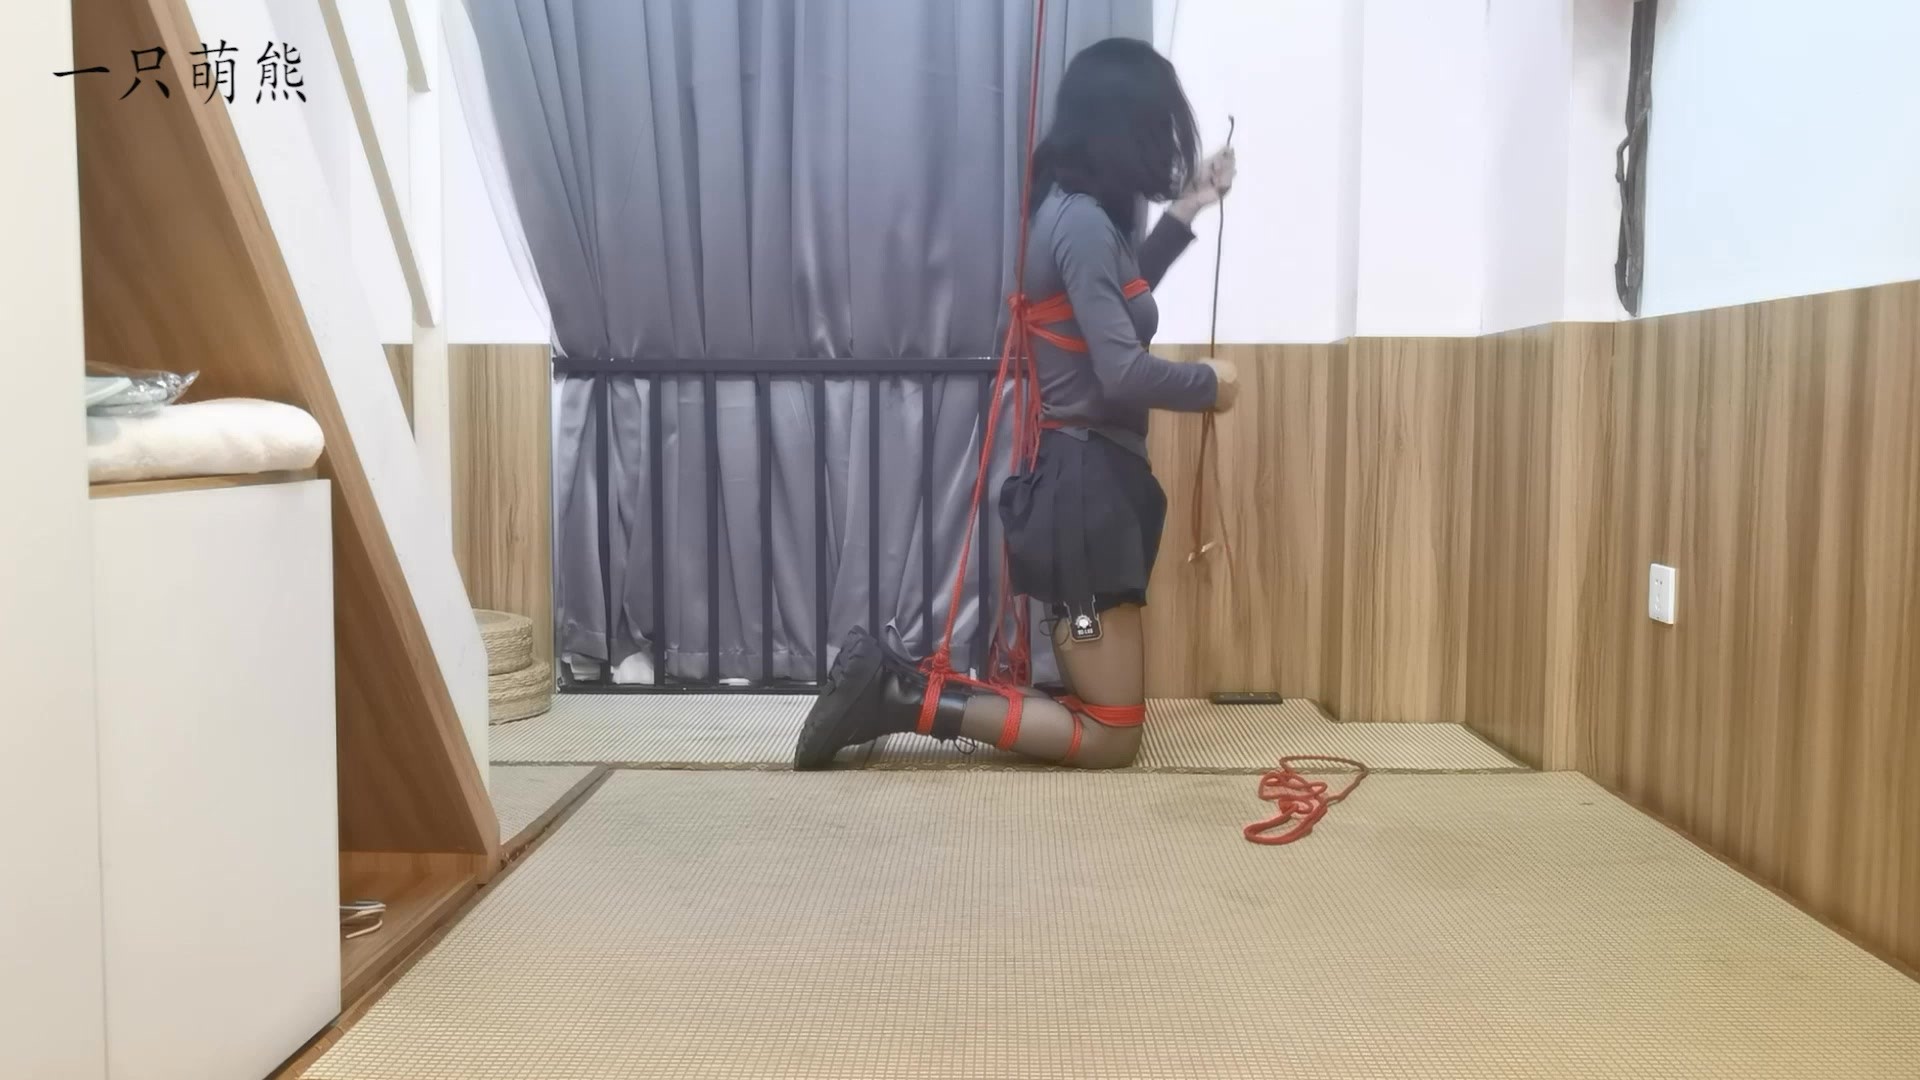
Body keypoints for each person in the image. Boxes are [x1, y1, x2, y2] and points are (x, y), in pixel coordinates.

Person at [794, 37, 1237, 770]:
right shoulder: (1083, 222)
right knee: (1112, 735)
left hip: (1090, 486)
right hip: (1088, 492)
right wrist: (1212, 386)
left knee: (1104, 713)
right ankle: (902, 695)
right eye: (1156, 125)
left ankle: (901, 688)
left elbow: (1120, 304)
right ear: (1125, 124)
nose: (1163, 143)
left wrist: (1188, 208)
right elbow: (1121, 371)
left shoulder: (1075, 215)